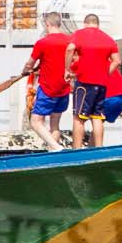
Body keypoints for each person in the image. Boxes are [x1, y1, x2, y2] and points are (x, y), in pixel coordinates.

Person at [67, 13, 121, 149]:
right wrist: (105, 74)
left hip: (84, 82)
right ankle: (99, 148)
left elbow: (70, 49)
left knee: (79, 117)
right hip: (101, 84)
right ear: (98, 24)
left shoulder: (79, 34)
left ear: (85, 23)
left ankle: (77, 150)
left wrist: (67, 69)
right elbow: (117, 61)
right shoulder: (108, 39)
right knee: (97, 117)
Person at [25, 13, 76, 148]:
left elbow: (30, 63)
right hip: (64, 89)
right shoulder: (70, 41)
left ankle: (57, 148)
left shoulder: (43, 42)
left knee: (35, 122)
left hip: (48, 88)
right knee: (55, 124)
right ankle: (52, 151)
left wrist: (25, 71)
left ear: (47, 25)